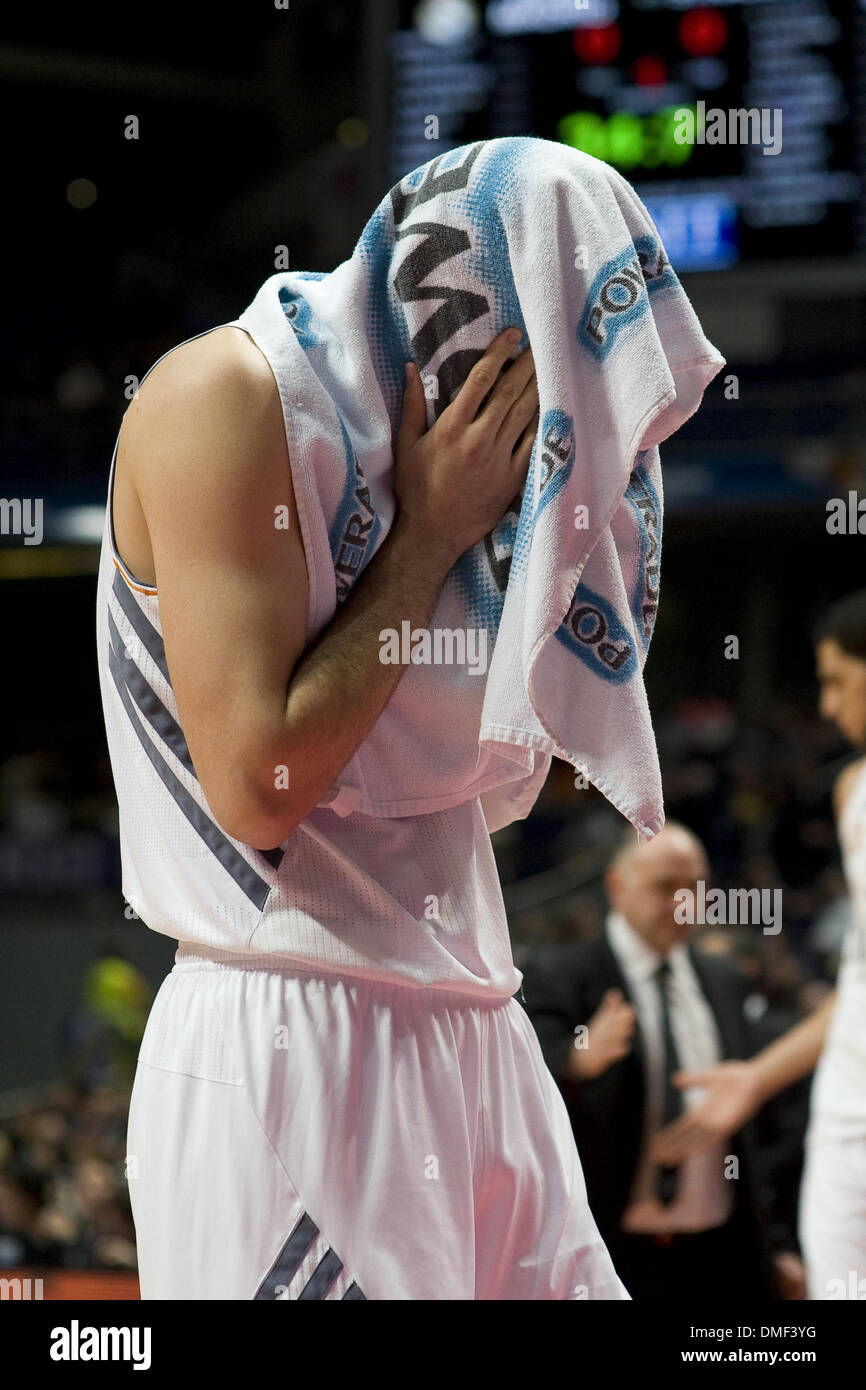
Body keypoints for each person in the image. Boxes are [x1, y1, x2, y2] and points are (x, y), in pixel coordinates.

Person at [96, 320, 630, 1300]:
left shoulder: (421, 463)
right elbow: (262, 790)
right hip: (292, 1023)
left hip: (474, 1004)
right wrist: (429, 534)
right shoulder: (220, 391)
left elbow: (504, 788)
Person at [650, 588, 866, 1300]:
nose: (829, 708)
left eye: (837, 680)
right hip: (847, 1107)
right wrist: (756, 1077)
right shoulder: (852, 795)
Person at [520, 821, 795, 1299]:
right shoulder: (560, 974)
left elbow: (759, 1132)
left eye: (695, 888)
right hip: (610, 1249)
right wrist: (578, 1060)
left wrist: (781, 1245)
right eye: (666, 887)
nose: (683, 903)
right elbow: (520, 1090)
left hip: (721, 1249)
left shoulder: (725, 980)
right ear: (616, 885)